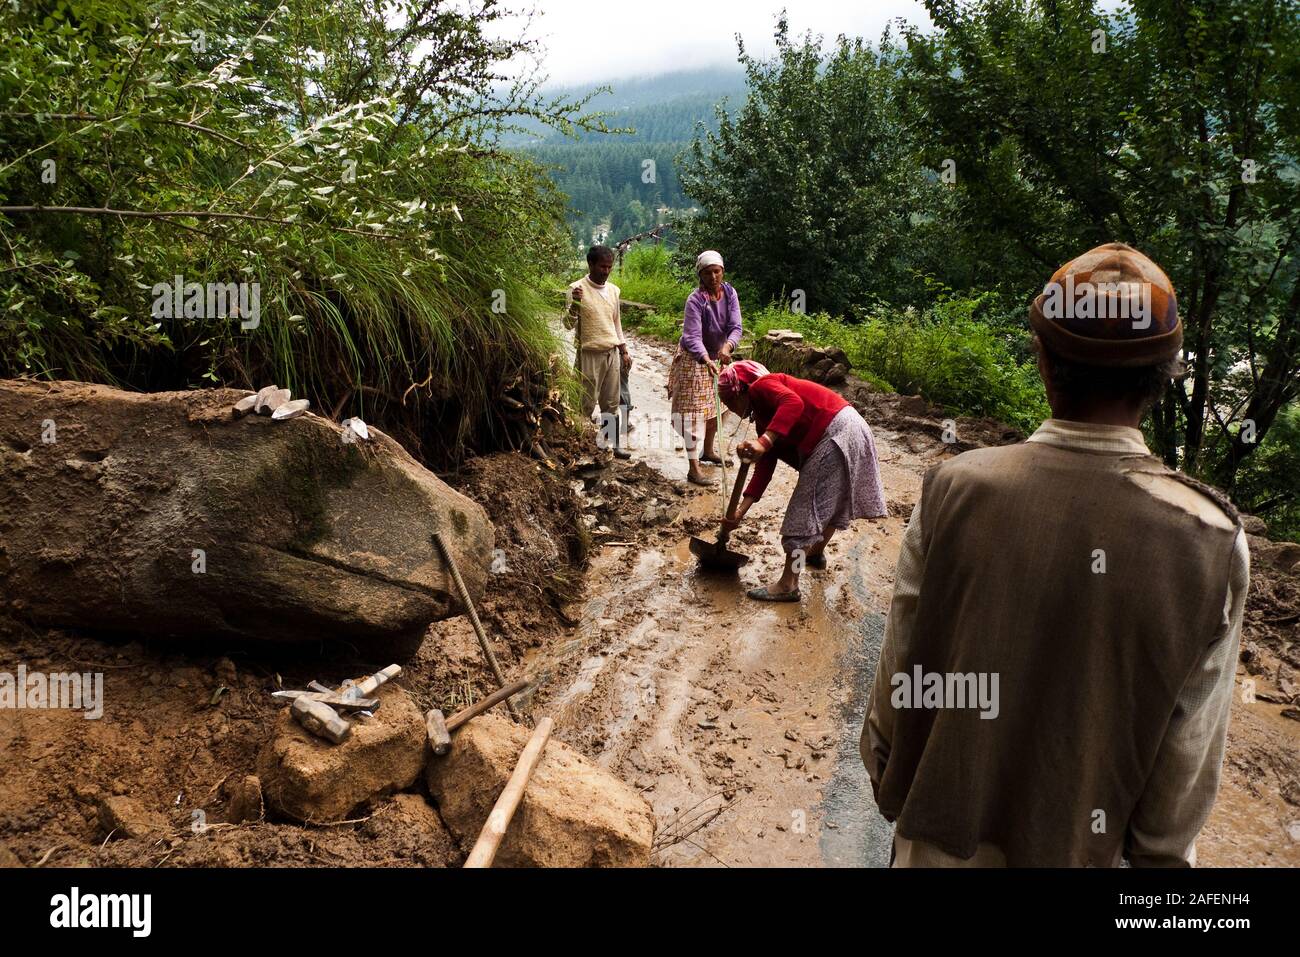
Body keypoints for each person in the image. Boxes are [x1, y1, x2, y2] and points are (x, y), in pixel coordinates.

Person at [861, 242, 1249, 867]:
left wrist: (898, 796)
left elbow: (896, 691)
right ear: (1162, 378)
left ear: (1042, 359)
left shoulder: (955, 489)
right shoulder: (1209, 541)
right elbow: (1174, 803)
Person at [717, 359, 886, 601]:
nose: (732, 410)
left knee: (804, 511)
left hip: (835, 432)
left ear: (741, 390)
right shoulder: (765, 417)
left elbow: (793, 403)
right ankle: (815, 553)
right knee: (831, 502)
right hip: (853, 428)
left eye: (729, 402)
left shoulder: (761, 386)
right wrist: (739, 513)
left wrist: (762, 443)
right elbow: (764, 467)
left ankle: (789, 583)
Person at [668, 250, 742, 485]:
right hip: (695, 358)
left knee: (719, 406)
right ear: (700, 275)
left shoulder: (730, 293)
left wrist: (728, 346)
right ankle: (693, 468)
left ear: (723, 272)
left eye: (716, 271)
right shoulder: (696, 300)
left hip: (719, 356)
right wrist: (706, 359)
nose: (713, 277)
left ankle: (708, 451)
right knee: (693, 413)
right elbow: (691, 336)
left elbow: (736, 326)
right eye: (707, 273)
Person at [565, 245, 631, 459]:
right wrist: (575, 304)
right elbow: (567, 323)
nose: (606, 271)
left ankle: (610, 445)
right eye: (602, 266)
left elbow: (616, 324)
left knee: (611, 403)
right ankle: (579, 444)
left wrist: (624, 350)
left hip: (611, 353)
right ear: (590, 264)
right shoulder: (576, 288)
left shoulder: (613, 291)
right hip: (588, 354)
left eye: (609, 267)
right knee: (584, 403)